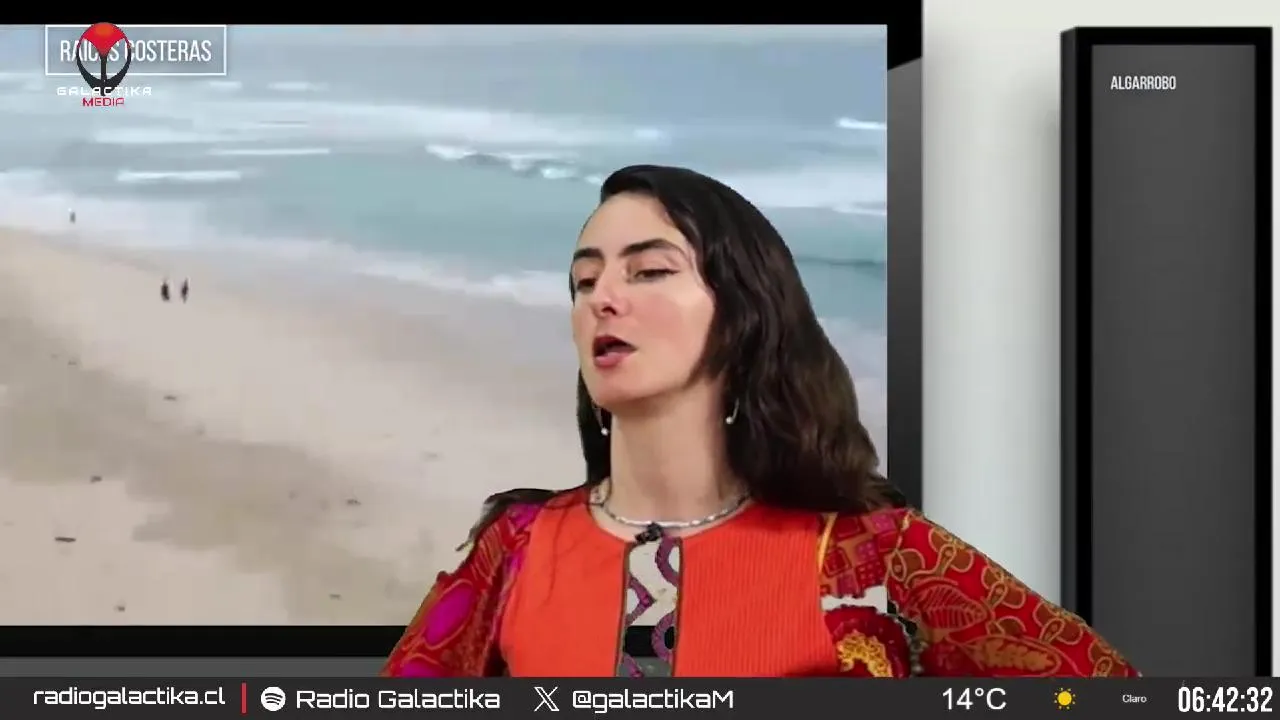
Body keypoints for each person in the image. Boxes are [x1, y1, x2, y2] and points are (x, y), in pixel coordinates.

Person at [382, 165, 1137, 678]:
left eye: (650, 271)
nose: (603, 297)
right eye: (584, 280)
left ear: (745, 314)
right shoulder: (516, 549)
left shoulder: (876, 556)